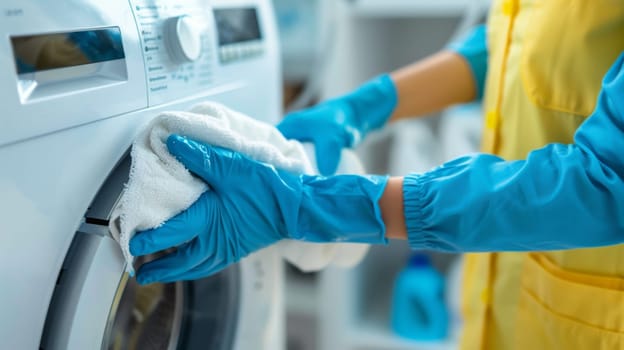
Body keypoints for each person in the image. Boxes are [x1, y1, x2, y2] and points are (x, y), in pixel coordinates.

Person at [130, 1, 624, 348]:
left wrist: (314, 205)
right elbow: (514, 40)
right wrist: (364, 104)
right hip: (509, 298)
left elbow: (605, 181)